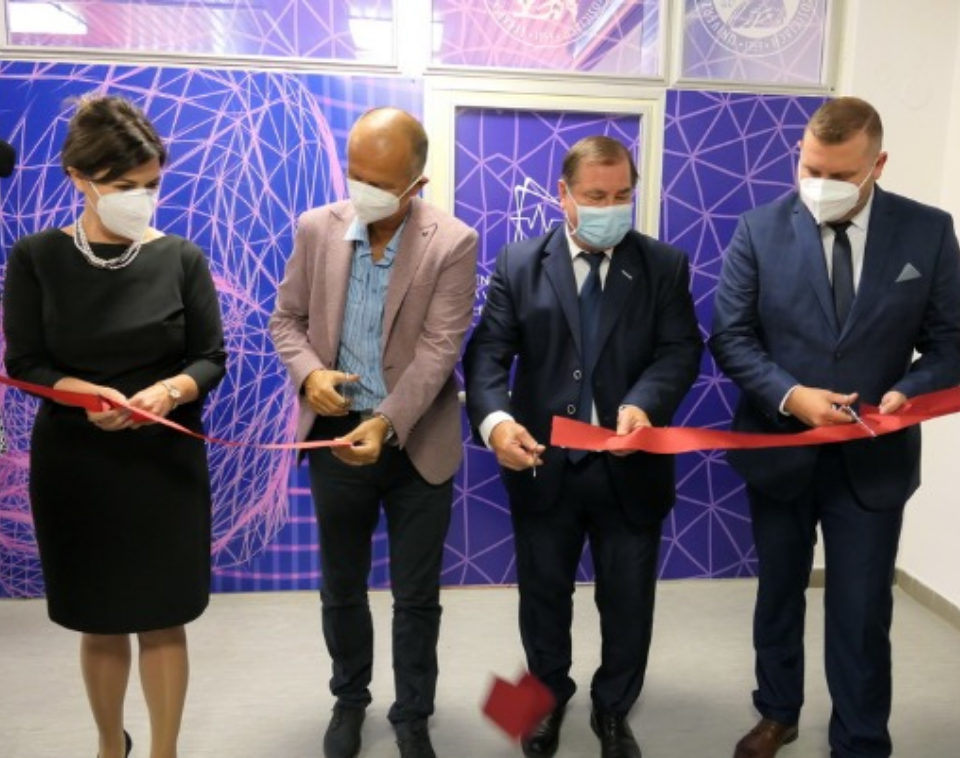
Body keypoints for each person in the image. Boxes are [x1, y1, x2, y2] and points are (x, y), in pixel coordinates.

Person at [710, 96, 960, 758]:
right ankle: (777, 712)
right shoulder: (758, 229)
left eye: (841, 175)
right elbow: (731, 337)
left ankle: (860, 736)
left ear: (878, 164)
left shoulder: (928, 231)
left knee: (862, 606)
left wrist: (909, 390)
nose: (820, 185)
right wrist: (791, 396)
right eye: (810, 169)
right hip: (779, 450)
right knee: (779, 594)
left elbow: (952, 343)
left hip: (875, 459)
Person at [463, 135, 703, 758]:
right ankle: (544, 701)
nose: (610, 208)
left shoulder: (663, 265)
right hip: (544, 466)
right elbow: (488, 355)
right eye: (596, 196)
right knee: (544, 599)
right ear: (563, 195)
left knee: (628, 603)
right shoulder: (520, 263)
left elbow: (680, 350)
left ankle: (614, 708)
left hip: (631, 468)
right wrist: (496, 423)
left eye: (622, 195)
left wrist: (645, 403)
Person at [2, 95, 226, 758]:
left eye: (151, 185)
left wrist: (167, 392)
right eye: (125, 186)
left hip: (164, 465)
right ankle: (110, 745)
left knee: (163, 618)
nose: (142, 199)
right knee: (97, 618)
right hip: (78, 465)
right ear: (80, 178)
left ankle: (164, 751)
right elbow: (25, 362)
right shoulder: (36, 257)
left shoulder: (181, 258)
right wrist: (82, 393)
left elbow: (210, 358)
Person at [269, 107, 478, 758]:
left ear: (416, 184)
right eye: (355, 175)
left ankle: (413, 713)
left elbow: (439, 351)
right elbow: (286, 321)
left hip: (417, 443)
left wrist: (386, 422)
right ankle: (349, 699)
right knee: (342, 586)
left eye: (381, 183)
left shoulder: (453, 242)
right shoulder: (315, 228)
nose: (363, 192)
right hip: (336, 438)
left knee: (416, 595)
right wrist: (310, 375)